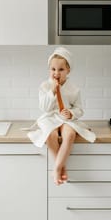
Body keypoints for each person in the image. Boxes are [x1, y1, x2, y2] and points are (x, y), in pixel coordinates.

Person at [28, 47, 96, 185]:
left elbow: (79, 109)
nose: (56, 73)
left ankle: (57, 168)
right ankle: (60, 167)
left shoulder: (74, 89)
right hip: (50, 117)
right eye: (53, 69)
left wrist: (71, 113)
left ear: (68, 70)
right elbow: (44, 108)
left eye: (61, 69)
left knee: (70, 135)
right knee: (50, 135)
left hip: (65, 119)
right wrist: (52, 91)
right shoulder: (45, 86)